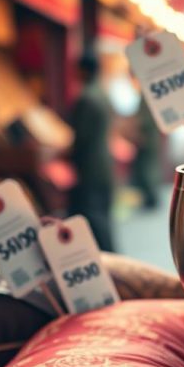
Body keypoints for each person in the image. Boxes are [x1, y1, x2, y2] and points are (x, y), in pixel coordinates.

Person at [69, 54, 115, 251]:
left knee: (95, 218)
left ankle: (112, 264)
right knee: (101, 217)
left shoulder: (87, 98)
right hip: (103, 162)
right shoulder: (101, 93)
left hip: (90, 166)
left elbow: (81, 138)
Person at [130, 98, 161, 210]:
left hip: (148, 139)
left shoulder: (146, 98)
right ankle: (150, 197)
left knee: (147, 169)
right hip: (149, 138)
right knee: (148, 168)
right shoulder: (145, 98)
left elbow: (145, 120)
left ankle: (151, 198)